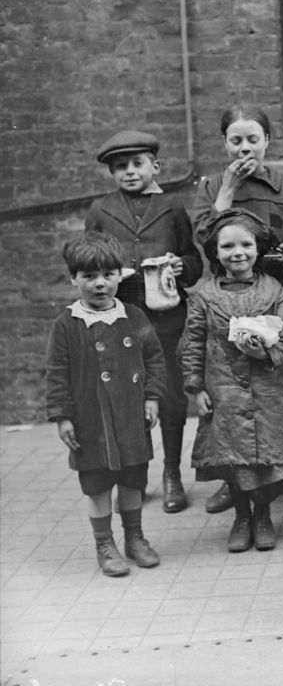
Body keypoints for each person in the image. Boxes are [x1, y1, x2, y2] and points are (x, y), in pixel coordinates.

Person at [191, 105, 283, 512]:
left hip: (273, 294)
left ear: (267, 141)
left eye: (253, 139)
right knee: (231, 394)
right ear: (224, 143)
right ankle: (235, 478)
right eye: (236, 140)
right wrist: (225, 192)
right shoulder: (212, 186)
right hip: (226, 296)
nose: (245, 148)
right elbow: (203, 237)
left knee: (274, 391)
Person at [179, 209, 283, 552]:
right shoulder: (204, 296)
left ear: (258, 248)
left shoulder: (273, 289)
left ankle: (264, 514)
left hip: (267, 386)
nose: (237, 253)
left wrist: (267, 353)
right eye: (227, 246)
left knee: (267, 457)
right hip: (223, 389)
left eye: (245, 244)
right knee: (233, 459)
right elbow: (192, 341)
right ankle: (241, 516)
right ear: (216, 252)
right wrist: (196, 385)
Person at [86, 130, 203, 513]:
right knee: (126, 401)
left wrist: (179, 265)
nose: (130, 172)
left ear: (155, 166)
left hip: (167, 318)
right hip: (119, 320)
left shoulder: (172, 207)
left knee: (169, 397)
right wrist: (107, 272)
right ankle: (135, 476)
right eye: (121, 167)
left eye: (137, 164)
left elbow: (194, 261)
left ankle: (172, 473)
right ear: (112, 173)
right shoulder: (101, 211)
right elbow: (88, 263)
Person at [46, 232, 166, 576]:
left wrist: (152, 397)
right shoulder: (66, 325)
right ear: (74, 279)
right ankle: (104, 544)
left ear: (119, 276)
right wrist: (62, 416)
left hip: (130, 417)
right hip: (90, 421)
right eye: (89, 277)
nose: (100, 284)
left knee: (132, 480)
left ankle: (135, 538)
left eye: (107, 275)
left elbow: (154, 359)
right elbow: (56, 373)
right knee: (97, 484)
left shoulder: (134, 317)